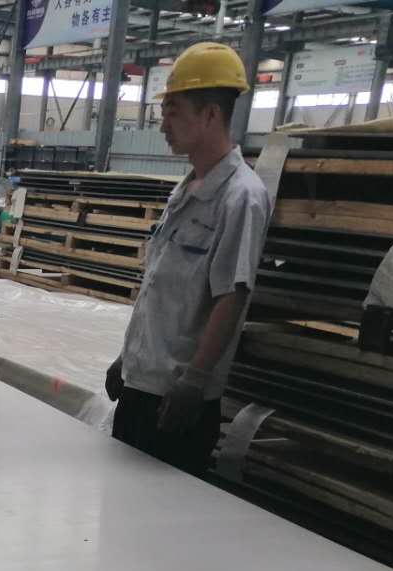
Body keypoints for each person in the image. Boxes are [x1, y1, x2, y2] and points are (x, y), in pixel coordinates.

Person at [104, 42, 270, 476]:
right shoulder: (186, 190)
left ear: (210, 114)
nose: (163, 125)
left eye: (173, 112)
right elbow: (161, 287)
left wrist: (196, 378)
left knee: (160, 515)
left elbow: (231, 295)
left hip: (175, 401)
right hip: (141, 387)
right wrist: (128, 358)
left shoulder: (241, 197)